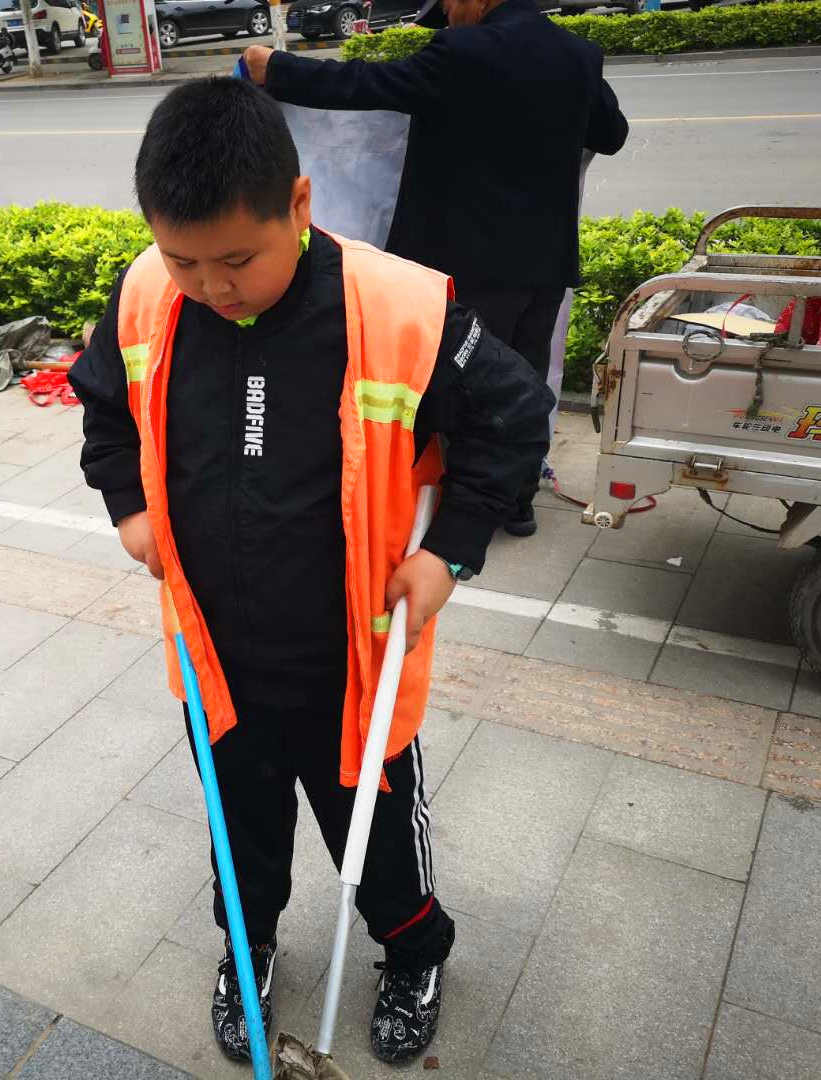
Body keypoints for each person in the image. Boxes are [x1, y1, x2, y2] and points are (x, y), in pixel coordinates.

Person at [68, 79, 552, 1066]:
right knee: (238, 832)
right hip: (217, 656)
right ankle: (245, 952)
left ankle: (414, 953)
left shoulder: (399, 307)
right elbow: (106, 412)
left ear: (297, 204)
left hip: (351, 664)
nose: (212, 288)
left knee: (376, 837)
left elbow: (514, 422)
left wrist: (450, 551)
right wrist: (129, 510)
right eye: (184, 260)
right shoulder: (147, 294)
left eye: (237, 260)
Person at [242, 0, 628, 536]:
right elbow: (611, 133)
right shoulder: (577, 53)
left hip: (468, 265)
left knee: (460, 388)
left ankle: (458, 506)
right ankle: (516, 502)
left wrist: (276, 68)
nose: (446, 15)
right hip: (543, 264)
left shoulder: (464, 50)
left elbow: (363, 85)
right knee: (523, 383)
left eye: (447, 4)